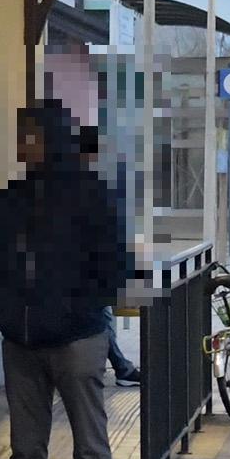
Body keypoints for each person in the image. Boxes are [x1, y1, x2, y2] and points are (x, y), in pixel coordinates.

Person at [0, 103, 135, 459]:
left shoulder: (92, 195)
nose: (22, 146)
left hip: (76, 339)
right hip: (20, 339)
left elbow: (114, 266)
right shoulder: (15, 196)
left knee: (89, 445)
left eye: (29, 136)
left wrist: (76, 308)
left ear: (52, 139)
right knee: (25, 447)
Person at [77, 126, 142, 385]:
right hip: (85, 272)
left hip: (84, 271)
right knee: (101, 316)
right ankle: (122, 368)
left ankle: (121, 366)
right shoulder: (89, 185)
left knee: (103, 315)